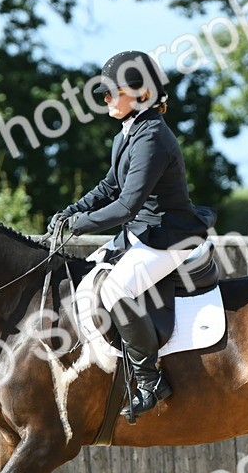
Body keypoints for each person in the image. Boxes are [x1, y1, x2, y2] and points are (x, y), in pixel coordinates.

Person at [46, 50, 215, 421]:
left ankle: (149, 380)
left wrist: (81, 225)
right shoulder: (129, 132)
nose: (105, 100)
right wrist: (71, 211)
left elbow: (126, 205)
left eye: (111, 92)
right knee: (87, 278)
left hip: (168, 236)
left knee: (114, 289)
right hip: (141, 233)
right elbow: (109, 186)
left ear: (140, 94)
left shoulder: (152, 137)